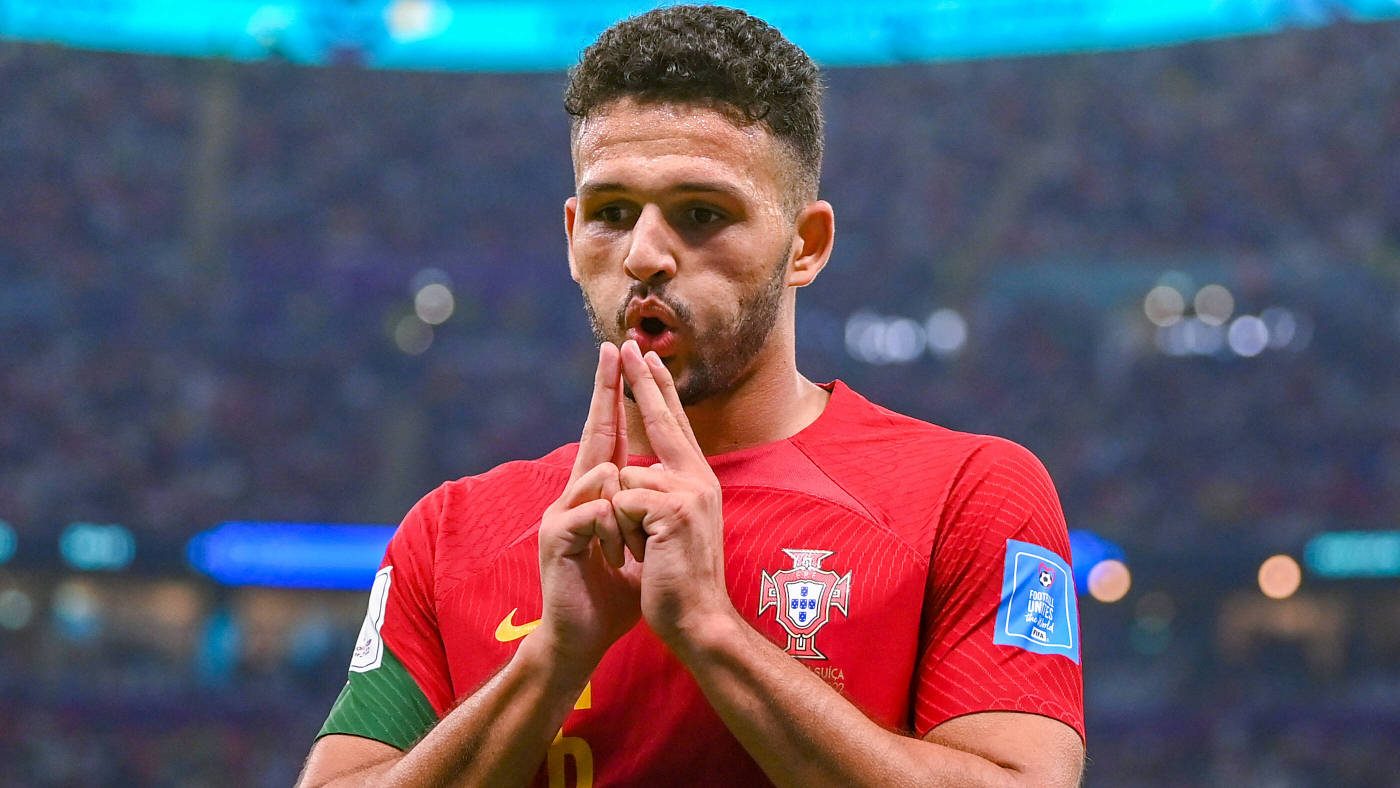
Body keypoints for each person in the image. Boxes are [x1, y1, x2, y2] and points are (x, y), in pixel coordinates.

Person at [297, 5, 1085, 786]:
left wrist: (712, 631)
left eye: (702, 213)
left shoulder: (967, 497)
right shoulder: (452, 534)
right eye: (611, 213)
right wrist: (551, 662)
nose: (644, 253)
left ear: (805, 246)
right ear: (572, 236)